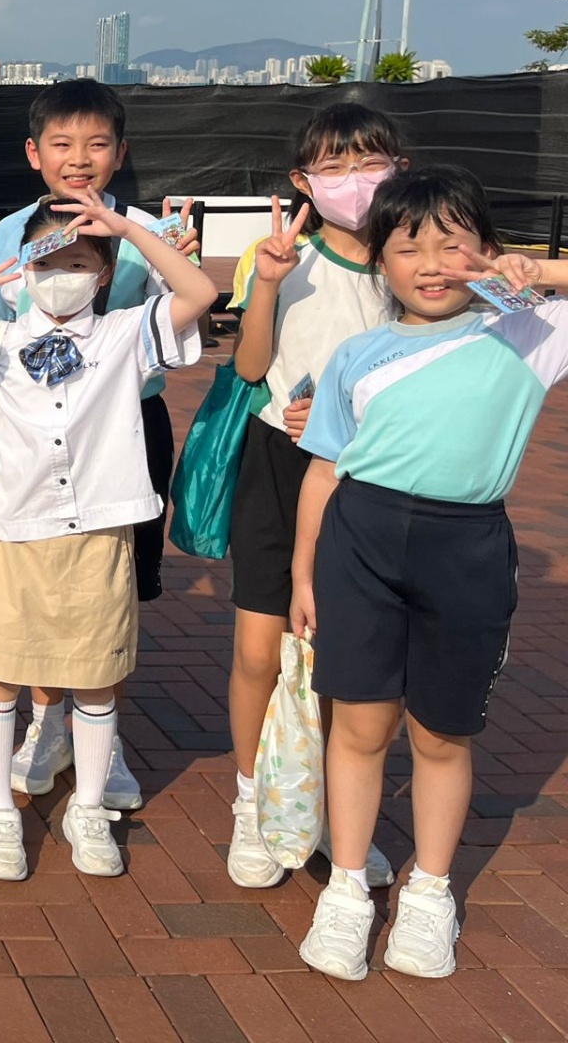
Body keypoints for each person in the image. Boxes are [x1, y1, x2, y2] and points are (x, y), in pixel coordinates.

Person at [292, 167, 568, 982]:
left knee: (442, 734)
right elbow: (324, 471)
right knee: (359, 727)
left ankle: (430, 893)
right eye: (408, 247)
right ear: (380, 260)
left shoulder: (529, 333)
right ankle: (346, 890)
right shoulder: (357, 354)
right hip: (359, 544)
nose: (432, 264)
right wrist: (304, 575)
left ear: (487, 249)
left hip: (468, 549)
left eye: (454, 244)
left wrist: (541, 270)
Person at [0, 191, 214, 880]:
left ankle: (89, 807)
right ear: (23, 270)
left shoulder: (123, 336)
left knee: (97, 681)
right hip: (14, 533)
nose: (60, 277)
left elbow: (198, 293)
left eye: (78, 264)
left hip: (98, 536)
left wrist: (126, 228)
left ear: (103, 275)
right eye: (46, 263)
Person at [0, 78, 199, 812]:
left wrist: (158, 248)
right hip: (31, 436)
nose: (79, 158)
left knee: (111, 591)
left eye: (96, 144)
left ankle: (102, 729)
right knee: (39, 588)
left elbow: (183, 310)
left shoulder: (147, 230)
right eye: (61, 143)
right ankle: (47, 723)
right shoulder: (12, 232)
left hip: (125, 430)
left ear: (119, 153)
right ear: (34, 153)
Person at [224, 103, 405, 891]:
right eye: (334, 166)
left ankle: (334, 809)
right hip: (280, 462)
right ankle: (251, 802)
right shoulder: (280, 256)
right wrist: (267, 283)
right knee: (260, 649)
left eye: (370, 162)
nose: (353, 181)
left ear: (400, 168)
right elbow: (249, 367)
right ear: (303, 180)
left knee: (345, 657)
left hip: (373, 476)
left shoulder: (411, 259)